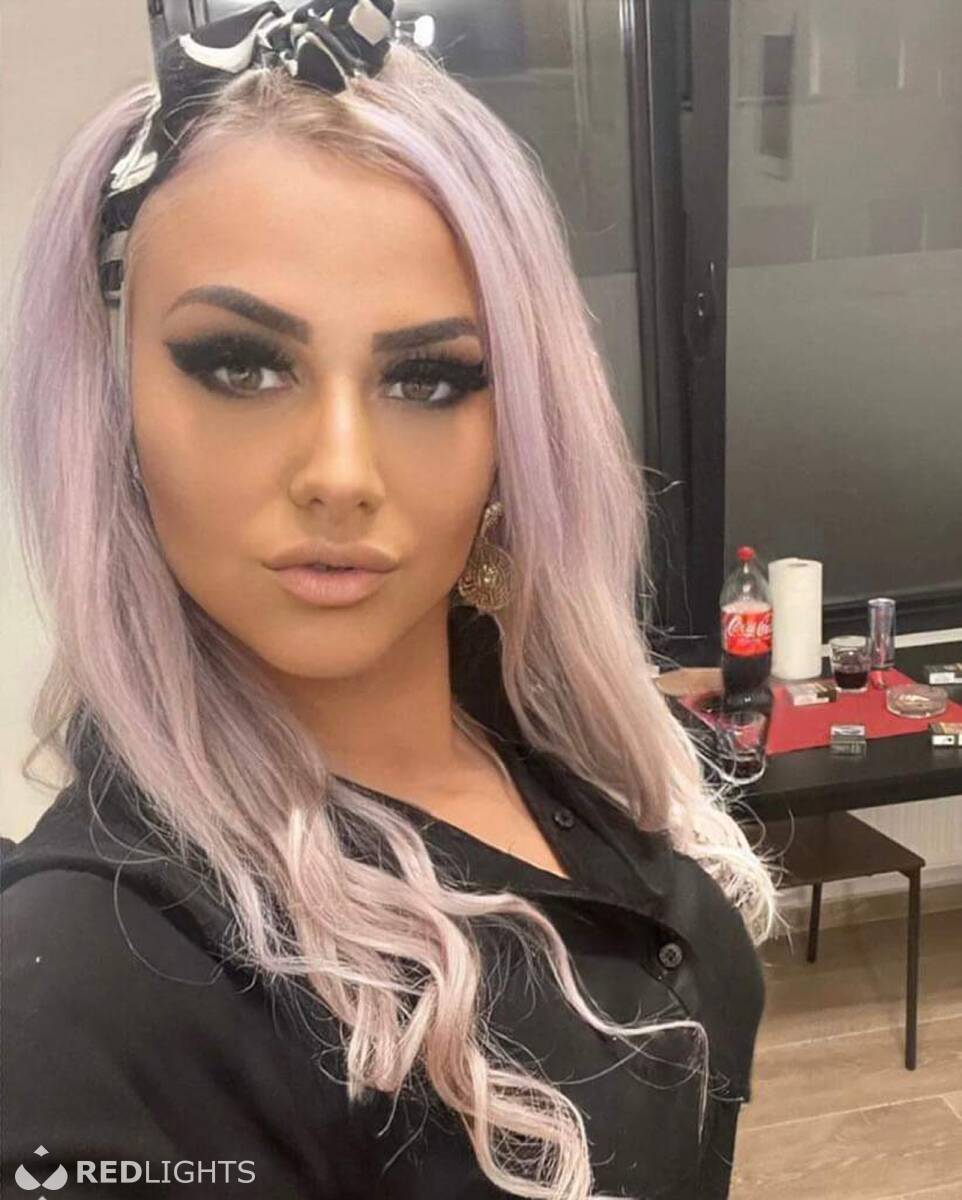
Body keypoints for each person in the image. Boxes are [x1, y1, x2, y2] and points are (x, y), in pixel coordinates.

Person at [0, 3, 788, 1197]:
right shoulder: (92, 989)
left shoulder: (543, 734)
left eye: (426, 380)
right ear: (112, 414)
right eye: (241, 366)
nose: (341, 473)